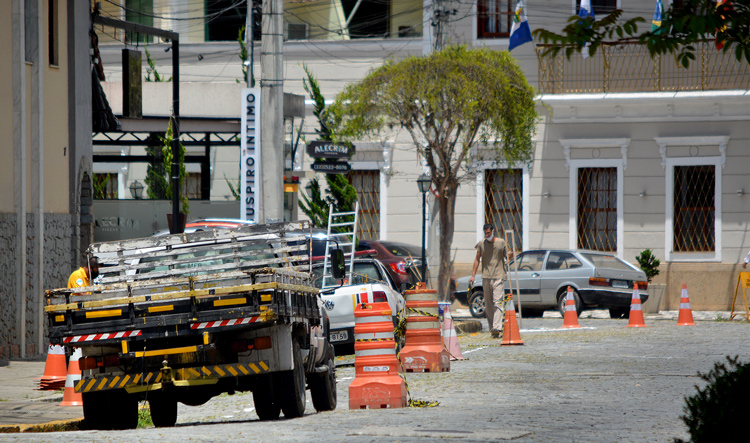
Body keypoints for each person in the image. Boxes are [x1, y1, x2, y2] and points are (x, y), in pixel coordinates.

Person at [470, 224, 514, 338]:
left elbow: (507, 256)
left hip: (498, 276)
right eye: (485, 233)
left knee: (498, 302)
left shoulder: (501, 243)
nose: (487, 235)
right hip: (486, 277)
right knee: (488, 305)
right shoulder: (481, 244)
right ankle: (492, 329)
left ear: (493, 231)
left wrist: (511, 255)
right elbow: (477, 259)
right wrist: (473, 275)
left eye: (489, 233)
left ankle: (497, 327)